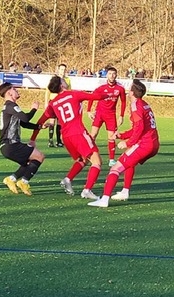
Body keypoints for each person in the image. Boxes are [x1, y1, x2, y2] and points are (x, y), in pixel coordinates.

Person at [87, 79, 160, 208]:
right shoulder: (144, 104)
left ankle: (104, 199)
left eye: (130, 88)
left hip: (145, 144)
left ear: (132, 92)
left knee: (116, 168)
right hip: (153, 143)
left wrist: (127, 142)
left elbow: (139, 128)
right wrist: (121, 135)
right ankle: (125, 192)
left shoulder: (135, 106)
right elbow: (139, 128)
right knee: (129, 163)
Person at [32, 75, 105, 200]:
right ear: (61, 85)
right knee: (97, 161)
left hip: (66, 137)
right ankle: (87, 190)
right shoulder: (74, 94)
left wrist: (33, 138)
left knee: (83, 160)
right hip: (78, 133)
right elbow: (97, 97)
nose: (65, 81)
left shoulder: (53, 103)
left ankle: (67, 179)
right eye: (63, 80)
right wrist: (108, 92)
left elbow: (40, 120)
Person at [0, 82, 45, 196]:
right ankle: (24, 182)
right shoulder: (11, 106)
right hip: (11, 145)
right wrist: (34, 109)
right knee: (39, 156)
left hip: (7, 146)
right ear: (9, 93)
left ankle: (12, 179)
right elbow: (25, 118)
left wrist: (39, 127)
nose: (17, 91)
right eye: (14, 89)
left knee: (29, 162)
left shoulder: (9, 107)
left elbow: (23, 123)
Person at [87, 66, 126, 167]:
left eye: (113, 74)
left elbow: (123, 102)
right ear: (106, 75)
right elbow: (91, 97)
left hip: (111, 115)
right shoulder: (101, 88)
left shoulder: (120, 89)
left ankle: (111, 160)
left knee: (111, 137)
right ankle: (88, 155)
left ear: (116, 75)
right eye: (110, 74)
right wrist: (89, 111)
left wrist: (121, 115)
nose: (112, 76)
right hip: (99, 114)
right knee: (93, 135)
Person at [44, 63, 71, 148]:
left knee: (60, 122)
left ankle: (59, 141)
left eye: (64, 70)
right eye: (61, 69)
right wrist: (46, 102)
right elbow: (48, 91)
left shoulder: (67, 80)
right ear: (58, 70)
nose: (63, 71)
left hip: (62, 103)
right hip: (53, 102)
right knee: (52, 121)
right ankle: (50, 140)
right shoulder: (54, 79)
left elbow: (69, 91)